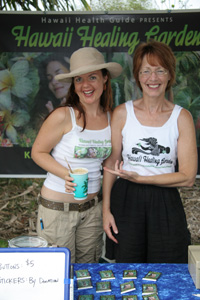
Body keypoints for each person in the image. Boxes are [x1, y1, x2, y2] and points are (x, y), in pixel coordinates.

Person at [103, 40, 197, 263]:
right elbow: (111, 164)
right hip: (125, 201)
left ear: (169, 75)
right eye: (146, 71)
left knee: (168, 268)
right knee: (127, 270)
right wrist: (105, 210)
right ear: (137, 76)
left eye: (159, 71)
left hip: (165, 200)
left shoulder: (182, 118)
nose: (152, 78)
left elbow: (187, 177)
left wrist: (141, 178)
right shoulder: (122, 113)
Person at [31, 47, 122, 263]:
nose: (86, 85)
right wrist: (66, 174)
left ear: (105, 78)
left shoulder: (112, 118)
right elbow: (38, 152)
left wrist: (105, 208)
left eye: (92, 77)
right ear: (74, 83)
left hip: (91, 210)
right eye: (79, 79)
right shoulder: (64, 115)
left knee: (86, 275)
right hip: (57, 211)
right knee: (57, 275)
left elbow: (109, 166)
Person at [32, 54, 70, 130]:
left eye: (59, 75)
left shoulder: (91, 104)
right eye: (49, 79)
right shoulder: (45, 110)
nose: (53, 82)